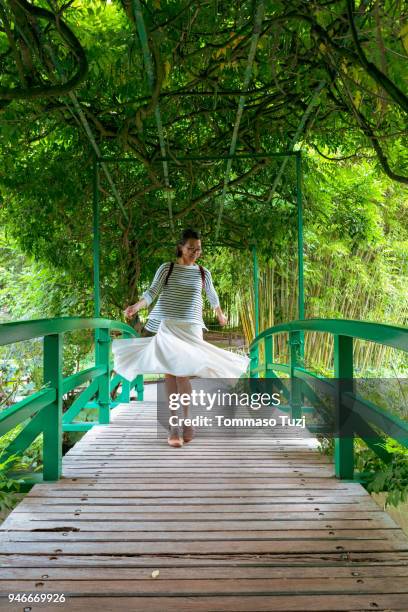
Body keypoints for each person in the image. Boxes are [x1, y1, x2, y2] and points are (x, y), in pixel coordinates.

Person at [112, 228, 250, 448]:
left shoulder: (203, 273)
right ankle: (176, 425)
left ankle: (185, 421)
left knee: (182, 374)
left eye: (198, 249)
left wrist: (221, 314)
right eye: (190, 248)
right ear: (180, 247)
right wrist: (135, 307)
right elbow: (151, 293)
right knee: (172, 373)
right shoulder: (167, 269)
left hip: (192, 328)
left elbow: (212, 296)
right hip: (168, 327)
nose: (195, 252)